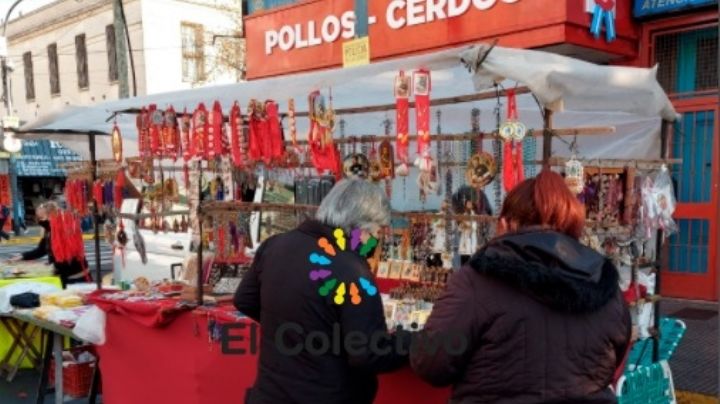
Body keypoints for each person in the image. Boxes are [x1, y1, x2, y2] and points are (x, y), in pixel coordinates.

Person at [411, 170, 631, 403]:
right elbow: (615, 359)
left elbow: (431, 364)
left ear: (505, 224)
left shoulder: (477, 280)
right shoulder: (602, 281)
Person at [235, 179, 411, 404]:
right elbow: (369, 353)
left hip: (269, 395)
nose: (375, 242)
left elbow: (245, 300)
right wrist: (410, 341)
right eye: (376, 232)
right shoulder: (353, 270)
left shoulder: (276, 245)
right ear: (360, 228)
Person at [9, 202, 88, 288]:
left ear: (51, 215)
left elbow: (70, 257)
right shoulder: (49, 230)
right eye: (38, 218)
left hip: (75, 277)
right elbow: (41, 250)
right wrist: (22, 256)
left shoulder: (64, 229)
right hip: (62, 275)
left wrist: (52, 267)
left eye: (42, 217)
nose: (39, 221)